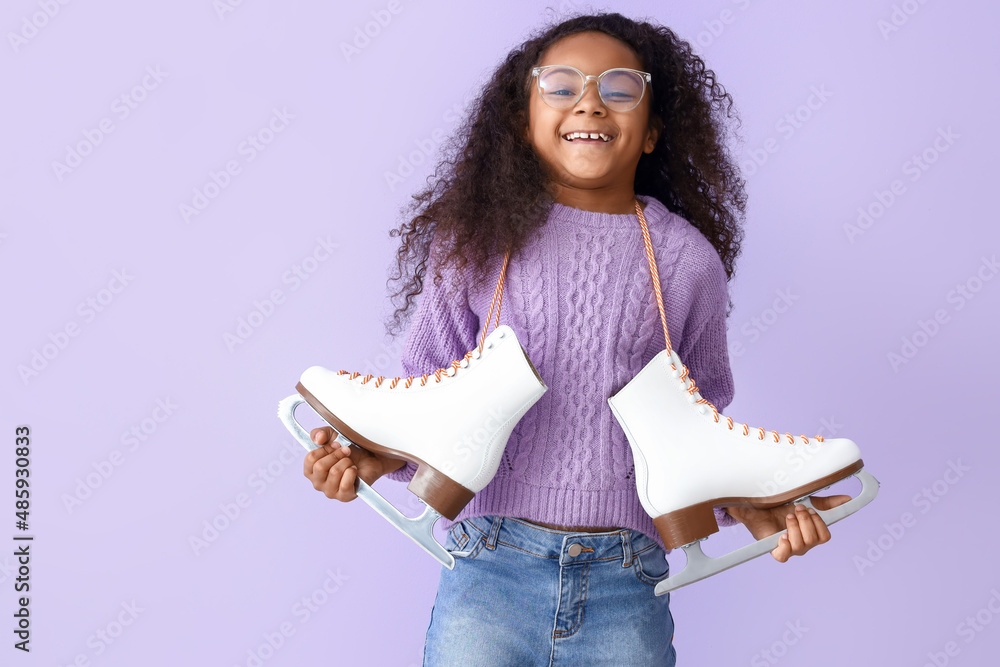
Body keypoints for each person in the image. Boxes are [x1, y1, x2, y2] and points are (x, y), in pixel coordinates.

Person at [303, 12, 850, 666]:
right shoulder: (476, 244)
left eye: (619, 88)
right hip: (488, 567)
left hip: (626, 577)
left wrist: (755, 511)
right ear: (521, 119)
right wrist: (371, 457)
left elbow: (698, 431)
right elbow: (431, 403)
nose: (589, 99)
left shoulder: (686, 262)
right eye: (561, 86)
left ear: (652, 132)